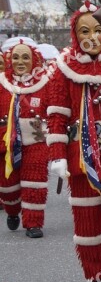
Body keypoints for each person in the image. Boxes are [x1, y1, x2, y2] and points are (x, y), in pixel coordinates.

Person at [46, 0, 101, 282]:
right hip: (81, 154)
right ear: (74, 35)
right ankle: (97, 272)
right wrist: (57, 155)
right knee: (88, 216)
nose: (92, 36)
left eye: (98, 29)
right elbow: (56, 114)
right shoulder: (64, 69)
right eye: (84, 31)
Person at [0, 39, 51, 238]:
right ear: (9, 60)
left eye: (25, 57)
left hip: (36, 142)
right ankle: (12, 210)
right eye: (16, 57)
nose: (20, 61)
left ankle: (33, 223)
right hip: (6, 144)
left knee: (35, 183)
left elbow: (55, 110)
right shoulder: (2, 83)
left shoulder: (44, 83)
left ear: (34, 60)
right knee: (7, 187)